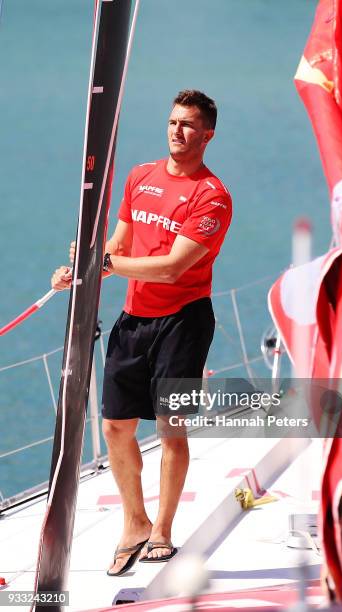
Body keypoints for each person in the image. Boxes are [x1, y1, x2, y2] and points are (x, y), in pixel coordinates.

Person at [51, 90, 232, 576]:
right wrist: (83, 269)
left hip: (183, 322)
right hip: (135, 319)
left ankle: (163, 531)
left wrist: (102, 264)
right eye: (173, 122)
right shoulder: (140, 177)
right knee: (114, 427)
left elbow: (173, 268)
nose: (177, 131)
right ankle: (134, 521)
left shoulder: (212, 196)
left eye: (189, 125)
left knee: (171, 430)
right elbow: (118, 242)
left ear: (207, 135)